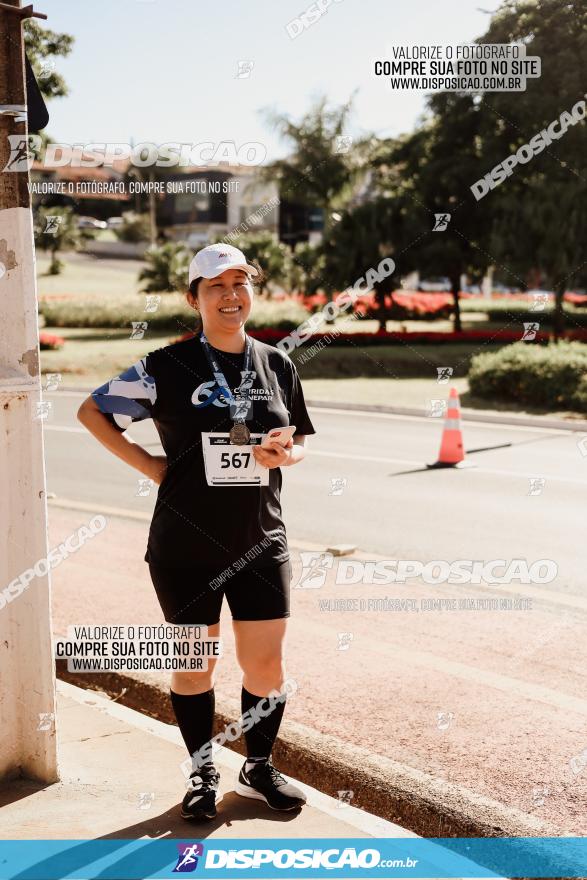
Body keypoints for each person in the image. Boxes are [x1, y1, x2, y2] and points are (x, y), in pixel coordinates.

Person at [77, 243, 316, 821]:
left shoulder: (276, 363)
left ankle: (257, 768)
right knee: (194, 665)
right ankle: (201, 770)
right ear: (194, 297)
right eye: (216, 286)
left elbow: (299, 440)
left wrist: (285, 456)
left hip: (261, 540)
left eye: (240, 283)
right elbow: (92, 412)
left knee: (267, 667)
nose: (231, 296)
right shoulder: (165, 365)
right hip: (184, 545)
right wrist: (153, 467)